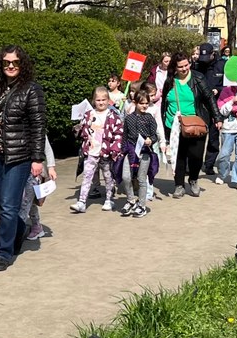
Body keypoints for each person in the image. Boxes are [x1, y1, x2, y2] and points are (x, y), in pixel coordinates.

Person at [0, 45, 46, 272]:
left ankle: (4, 253)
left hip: (19, 156)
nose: (10, 66)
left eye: (15, 62)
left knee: (9, 205)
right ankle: (18, 227)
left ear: (22, 64)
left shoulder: (31, 90)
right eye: (6, 62)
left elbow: (38, 126)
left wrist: (38, 159)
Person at [162, 51, 219, 199]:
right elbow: (164, 103)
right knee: (178, 156)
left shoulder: (198, 78)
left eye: (186, 65)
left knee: (196, 156)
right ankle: (179, 185)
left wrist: (217, 118)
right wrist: (163, 125)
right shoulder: (169, 81)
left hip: (196, 123)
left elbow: (209, 98)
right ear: (175, 67)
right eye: (180, 67)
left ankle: (193, 179)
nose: (184, 68)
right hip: (174, 125)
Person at [69, 86, 124, 213]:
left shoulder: (113, 116)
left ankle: (109, 199)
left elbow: (118, 133)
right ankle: (82, 201)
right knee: (87, 176)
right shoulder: (88, 115)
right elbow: (84, 131)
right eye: (98, 100)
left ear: (108, 100)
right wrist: (79, 129)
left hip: (107, 152)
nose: (101, 102)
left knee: (108, 177)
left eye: (104, 100)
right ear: (94, 100)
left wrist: (115, 148)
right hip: (91, 151)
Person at [120, 87, 159, 218]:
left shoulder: (149, 118)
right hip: (130, 151)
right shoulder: (129, 118)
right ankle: (131, 200)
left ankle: (142, 205)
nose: (144, 106)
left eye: (146, 103)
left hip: (145, 152)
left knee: (142, 179)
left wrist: (151, 140)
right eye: (141, 103)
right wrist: (121, 151)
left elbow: (155, 135)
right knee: (126, 177)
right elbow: (124, 135)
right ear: (135, 103)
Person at [193, 43, 224, 175]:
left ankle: (209, 164)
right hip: (200, 106)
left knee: (213, 137)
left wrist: (218, 90)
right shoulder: (196, 64)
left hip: (217, 105)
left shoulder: (222, 65)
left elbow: (228, 86)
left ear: (213, 54)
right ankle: (193, 164)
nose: (203, 60)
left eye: (207, 57)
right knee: (196, 136)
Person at [21, 136, 58, 240]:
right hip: (16, 170)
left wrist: (51, 168)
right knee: (29, 202)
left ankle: (17, 232)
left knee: (26, 202)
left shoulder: (35, 125)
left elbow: (47, 148)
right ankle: (36, 226)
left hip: (33, 172)